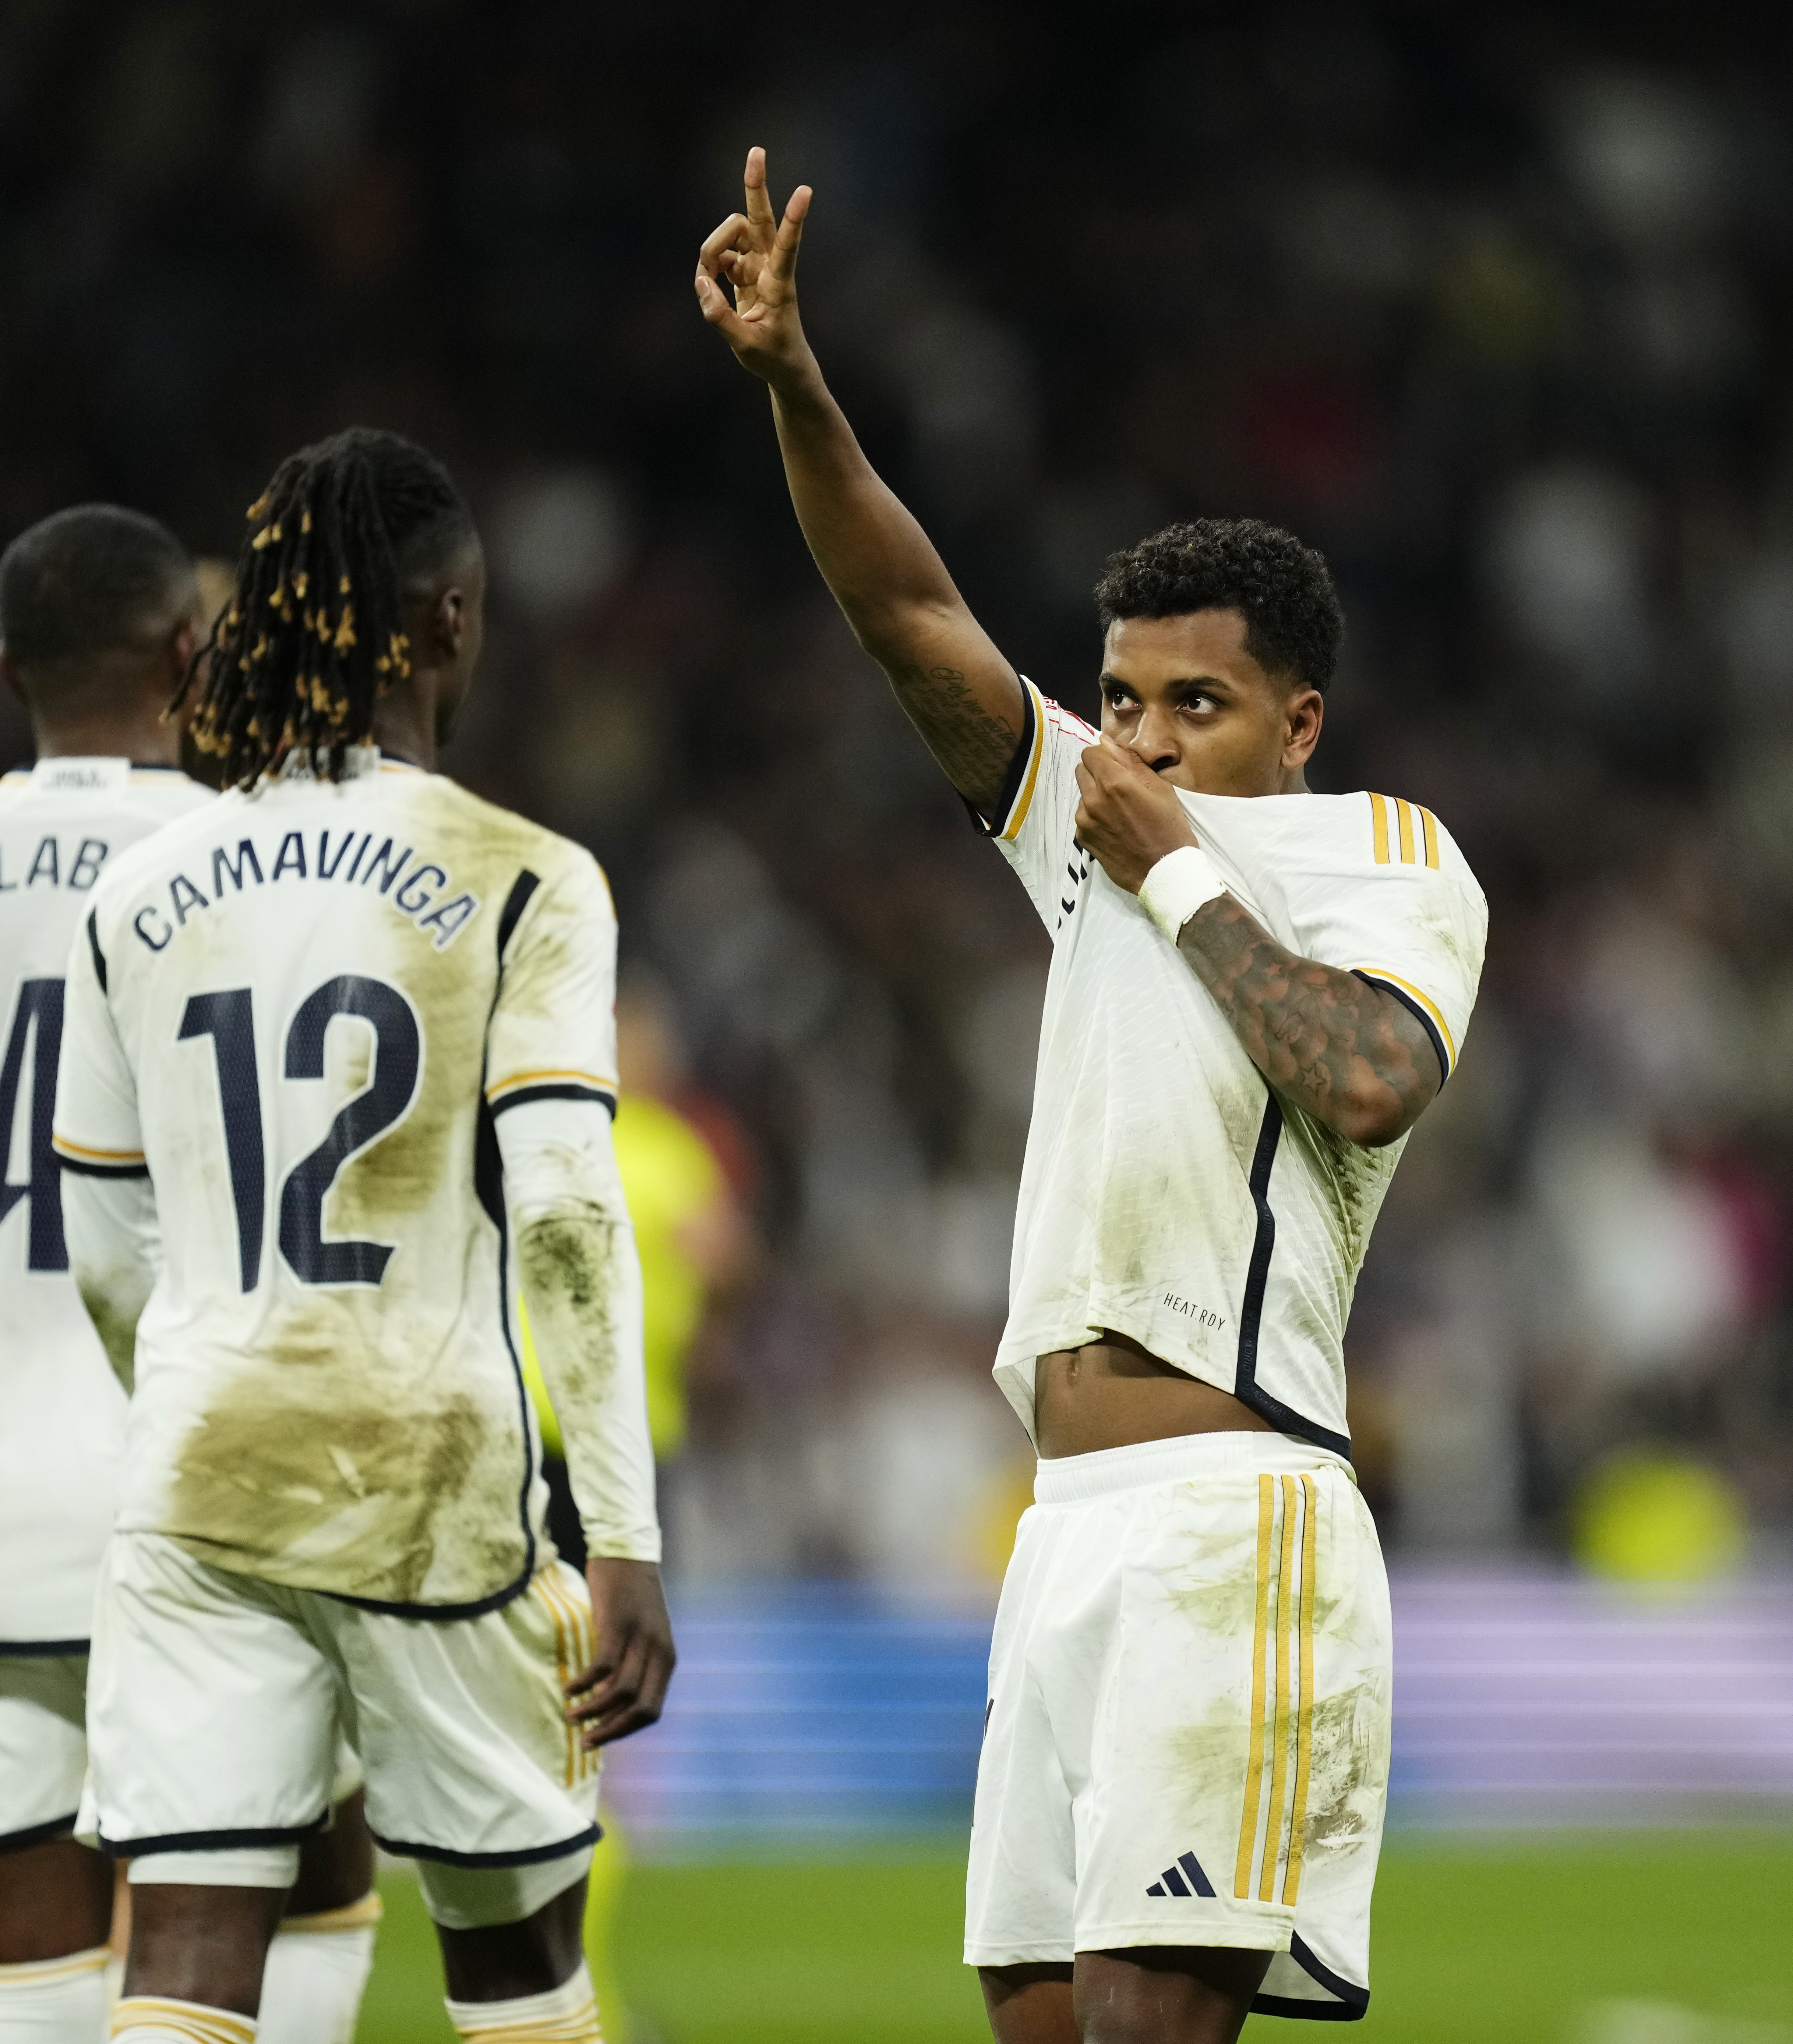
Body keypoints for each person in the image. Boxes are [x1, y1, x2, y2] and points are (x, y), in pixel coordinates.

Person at [698, 151, 1487, 2041]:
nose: (1135, 740)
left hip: (1241, 1512)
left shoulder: (1393, 860)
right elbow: (909, 611)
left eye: (1190, 705)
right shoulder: (1090, 828)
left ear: (1295, 722)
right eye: (1119, 699)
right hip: (1060, 1529)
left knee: (1148, 2025)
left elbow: (1368, 1084)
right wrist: (796, 380)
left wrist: (1178, 868)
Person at [49, 429, 676, 2044]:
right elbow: (562, 1222)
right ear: (452, 618)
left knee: (182, 1959)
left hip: (198, 1468)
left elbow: (106, 1241)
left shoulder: (136, 895)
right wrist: (623, 1535)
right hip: (428, 1479)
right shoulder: (528, 875)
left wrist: (198, 1381)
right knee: (516, 1959)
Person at [0, 505, 383, 2043]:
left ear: (4, 672)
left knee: (30, 1986)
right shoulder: (264, 869)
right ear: (193, 650)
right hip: (217, 1498)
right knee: (292, 1915)